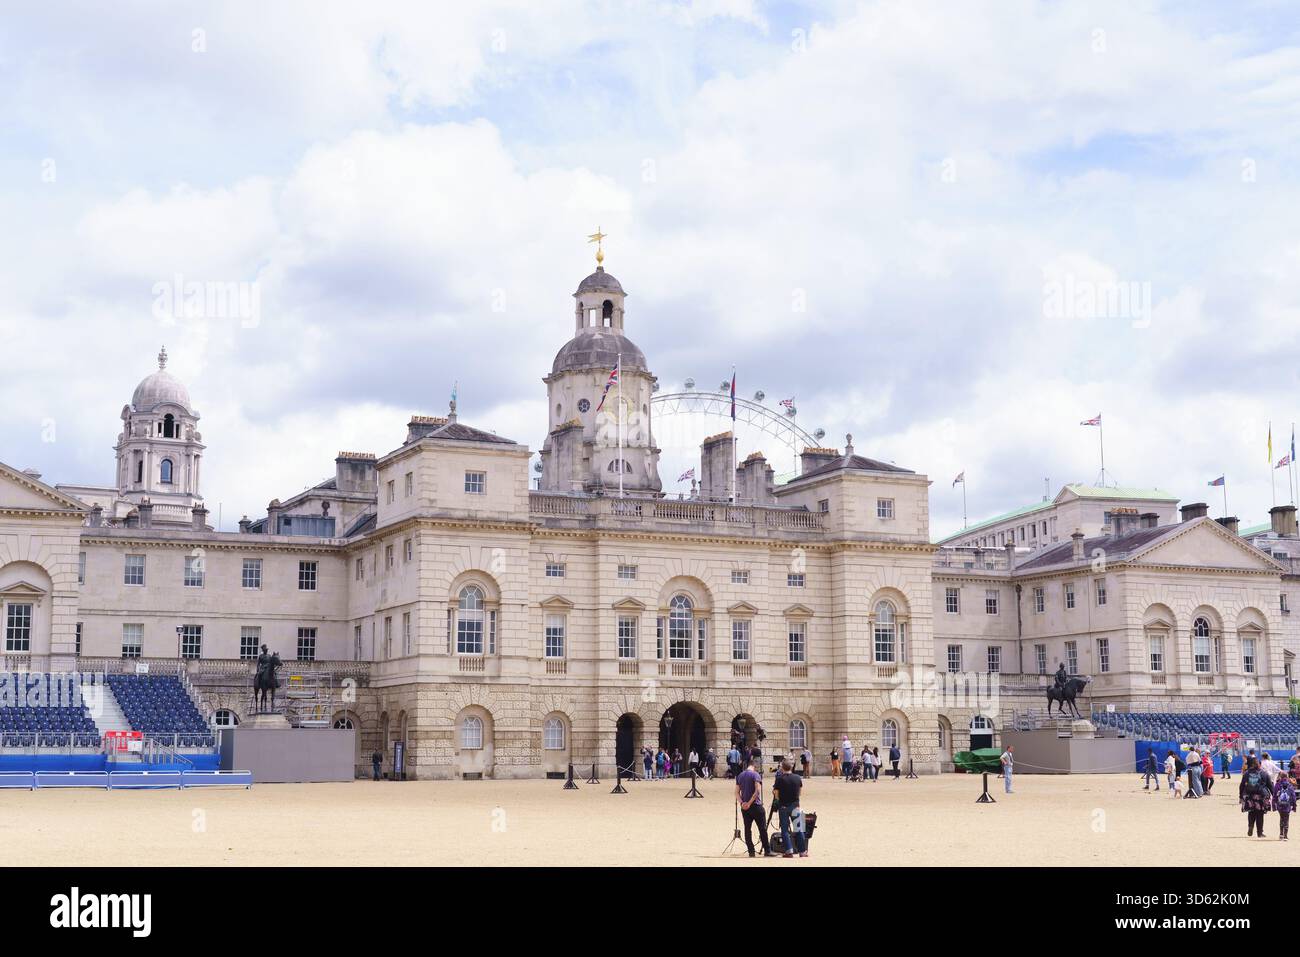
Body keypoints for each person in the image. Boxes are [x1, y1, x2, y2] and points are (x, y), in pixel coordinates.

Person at [735, 758, 773, 858]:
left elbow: (736, 792)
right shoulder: (755, 775)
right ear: (754, 766)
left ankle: (751, 851)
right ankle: (767, 850)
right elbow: (757, 791)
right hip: (755, 805)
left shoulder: (740, 775)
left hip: (745, 808)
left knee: (747, 829)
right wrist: (750, 803)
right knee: (762, 829)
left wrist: (743, 803)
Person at [774, 759, 808, 858]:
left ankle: (789, 850)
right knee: (799, 829)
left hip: (784, 806)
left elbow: (776, 794)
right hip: (795, 805)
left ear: (782, 768)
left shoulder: (779, 779)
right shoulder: (798, 778)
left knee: (784, 830)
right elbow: (800, 792)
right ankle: (802, 851)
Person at [1239, 757, 1273, 838]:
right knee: (1260, 815)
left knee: (1251, 812)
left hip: (1250, 796)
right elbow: (1270, 786)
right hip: (1261, 797)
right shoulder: (1264, 773)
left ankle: (1250, 826)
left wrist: (1240, 796)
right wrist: (1274, 795)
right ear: (1260, 765)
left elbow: (1242, 785)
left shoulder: (1247, 773)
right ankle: (1259, 833)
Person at [1274, 771, 1296, 841]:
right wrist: (1294, 806)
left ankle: (1281, 834)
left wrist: (1274, 805)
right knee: (1286, 820)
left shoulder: (1277, 784)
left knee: (1281, 818)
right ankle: (1285, 836)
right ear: (1287, 777)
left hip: (1280, 805)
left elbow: (1274, 795)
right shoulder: (1290, 785)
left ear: (1280, 776)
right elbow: (1293, 796)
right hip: (1287, 805)